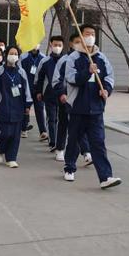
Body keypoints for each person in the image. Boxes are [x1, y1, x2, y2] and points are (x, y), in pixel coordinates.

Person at [64, 24, 121, 189]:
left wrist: (107, 90)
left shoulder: (101, 57)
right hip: (78, 107)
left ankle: (105, 177)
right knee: (74, 139)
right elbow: (71, 78)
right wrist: (87, 72)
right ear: (81, 36)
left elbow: (109, 76)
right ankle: (69, 167)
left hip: (96, 108)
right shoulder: (73, 58)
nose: (90, 36)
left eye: (93, 34)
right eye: (87, 33)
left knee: (98, 142)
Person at [0, 45, 32, 168]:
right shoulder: (0, 71)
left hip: (18, 108)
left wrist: (28, 104)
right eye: (11, 53)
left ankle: (11, 158)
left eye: (16, 54)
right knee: (5, 134)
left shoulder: (21, 72)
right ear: (6, 55)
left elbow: (26, 90)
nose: (13, 56)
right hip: (3, 108)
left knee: (15, 135)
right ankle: (0, 150)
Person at [52, 33, 93, 167]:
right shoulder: (64, 60)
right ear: (70, 44)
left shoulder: (88, 59)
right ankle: (60, 148)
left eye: (81, 41)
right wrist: (62, 93)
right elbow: (57, 80)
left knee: (80, 126)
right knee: (63, 123)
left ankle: (86, 152)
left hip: (82, 99)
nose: (79, 44)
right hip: (66, 99)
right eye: (76, 42)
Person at [35, 35, 66, 161]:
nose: (57, 47)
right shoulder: (45, 61)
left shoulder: (66, 60)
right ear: (50, 45)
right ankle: (53, 142)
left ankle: (60, 143)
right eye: (55, 45)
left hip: (63, 95)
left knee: (62, 120)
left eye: (59, 45)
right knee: (51, 118)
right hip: (49, 94)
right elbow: (39, 78)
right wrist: (38, 91)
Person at [20, 45, 47, 140]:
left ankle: (43, 131)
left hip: (37, 89)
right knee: (25, 109)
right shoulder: (23, 57)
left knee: (40, 109)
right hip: (26, 88)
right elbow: (20, 72)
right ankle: (24, 129)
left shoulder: (43, 58)